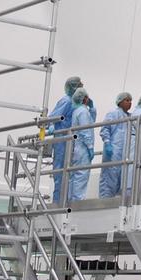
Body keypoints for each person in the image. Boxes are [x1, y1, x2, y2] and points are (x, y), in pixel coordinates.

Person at [48, 75, 82, 204]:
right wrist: (51, 126)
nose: (82, 87)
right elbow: (53, 117)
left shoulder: (74, 103)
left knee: (68, 173)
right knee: (60, 173)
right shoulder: (66, 101)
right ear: (73, 87)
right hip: (62, 141)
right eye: (79, 85)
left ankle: (64, 200)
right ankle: (58, 202)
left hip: (69, 141)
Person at [99, 91, 133, 198]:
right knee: (109, 178)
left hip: (124, 153)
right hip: (113, 152)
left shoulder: (130, 116)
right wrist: (107, 143)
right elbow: (105, 129)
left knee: (120, 179)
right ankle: (105, 202)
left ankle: (115, 203)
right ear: (120, 102)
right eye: (127, 100)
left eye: (131, 101)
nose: (130, 103)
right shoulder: (113, 114)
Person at [68, 87, 96, 201]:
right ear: (85, 98)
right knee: (81, 176)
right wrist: (90, 147)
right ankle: (77, 202)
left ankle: (71, 200)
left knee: (74, 177)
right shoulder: (83, 112)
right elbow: (85, 130)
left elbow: (91, 121)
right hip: (83, 148)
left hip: (76, 148)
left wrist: (92, 108)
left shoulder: (78, 111)